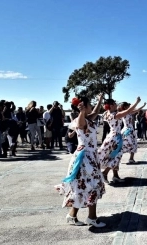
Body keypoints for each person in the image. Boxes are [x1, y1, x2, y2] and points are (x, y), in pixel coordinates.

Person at [54, 94, 106, 228]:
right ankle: (92, 218)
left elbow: (95, 112)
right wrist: (82, 111)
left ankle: (72, 215)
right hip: (85, 158)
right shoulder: (80, 120)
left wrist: (100, 99)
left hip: (90, 156)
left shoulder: (88, 118)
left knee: (82, 186)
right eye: (89, 104)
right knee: (91, 185)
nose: (91, 107)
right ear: (84, 107)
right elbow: (80, 124)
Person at [98, 97, 141, 183]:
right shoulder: (115, 115)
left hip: (111, 136)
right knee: (116, 156)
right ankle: (105, 173)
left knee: (113, 156)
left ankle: (115, 176)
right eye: (115, 103)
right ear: (111, 105)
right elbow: (128, 111)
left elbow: (127, 111)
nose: (116, 105)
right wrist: (136, 102)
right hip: (116, 138)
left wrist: (101, 99)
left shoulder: (107, 113)